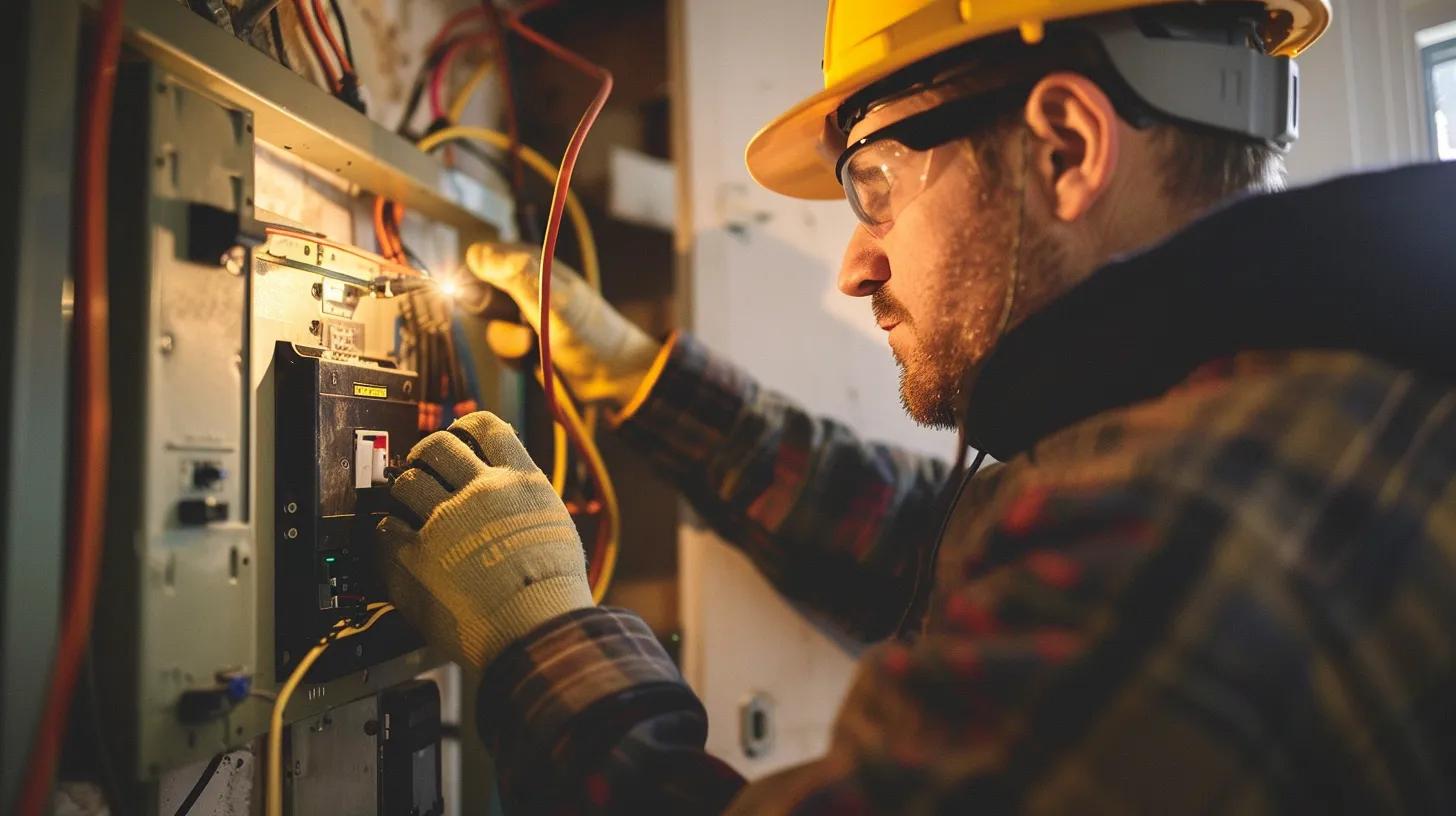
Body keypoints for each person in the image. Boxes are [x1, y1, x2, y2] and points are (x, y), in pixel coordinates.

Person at [377, 0, 1456, 811]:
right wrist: (633, 375)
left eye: (874, 185)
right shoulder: (1276, 402)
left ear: (1064, 148)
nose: (854, 263)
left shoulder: (1195, 517)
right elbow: (908, 542)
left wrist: (542, 638)